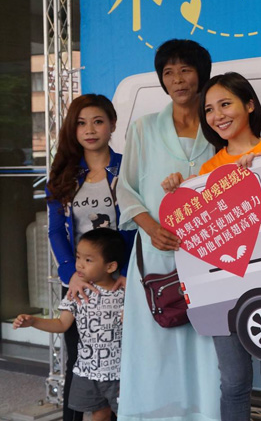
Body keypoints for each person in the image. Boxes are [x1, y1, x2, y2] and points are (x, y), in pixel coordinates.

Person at [162, 71, 261, 421]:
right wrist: (179, 192)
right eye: (209, 109)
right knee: (234, 382)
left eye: (225, 104)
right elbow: (193, 237)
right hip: (223, 288)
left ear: (249, 105)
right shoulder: (207, 172)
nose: (217, 116)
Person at [116, 39, 221, 421]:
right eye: (168, 72)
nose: (177, 79)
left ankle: (205, 413)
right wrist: (150, 228)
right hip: (156, 252)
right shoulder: (143, 129)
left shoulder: (218, 125)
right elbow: (125, 187)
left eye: (185, 70)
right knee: (154, 344)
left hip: (208, 254)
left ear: (201, 74)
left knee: (206, 342)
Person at [45, 94, 135, 421]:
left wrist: (126, 272)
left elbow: (137, 225)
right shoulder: (64, 176)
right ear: (73, 129)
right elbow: (56, 231)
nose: (90, 130)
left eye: (98, 121)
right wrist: (70, 272)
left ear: (112, 124)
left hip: (120, 281)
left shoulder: (128, 168)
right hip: (79, 282)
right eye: (81, 123)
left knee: (124, 361)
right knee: (80, 361)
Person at [14, 228, 128, 421]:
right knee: (99, 413)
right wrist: (33, 321)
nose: (79, 265)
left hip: (120, 372)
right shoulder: (76, 293)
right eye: (78, 257)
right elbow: (61, 324)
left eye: (88, 260)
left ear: (110, 267)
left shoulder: (125, 293)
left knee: (127, 414)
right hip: (87, 370)